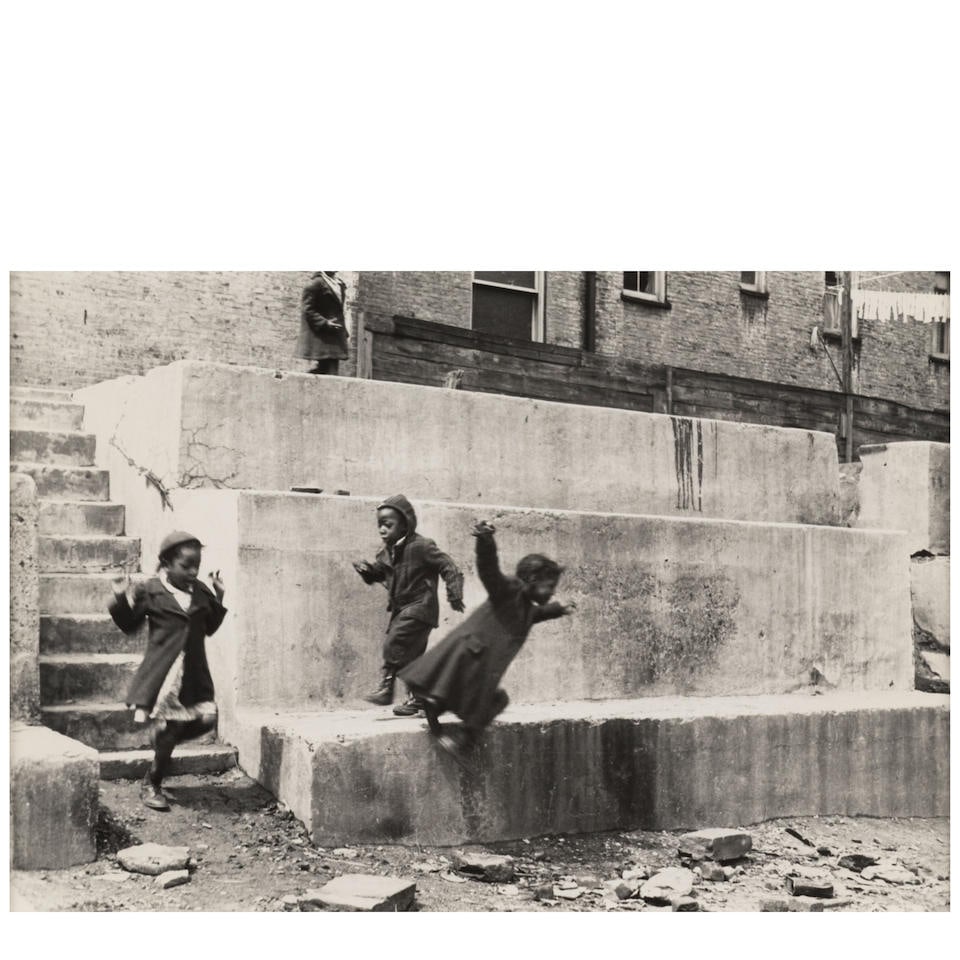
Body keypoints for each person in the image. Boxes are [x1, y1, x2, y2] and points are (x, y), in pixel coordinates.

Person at [399, 521, 576, 763]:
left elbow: (538, 614)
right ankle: (463, 738)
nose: (552, 593)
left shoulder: (525, 609)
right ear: (532, 579)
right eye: (549, 587)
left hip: (474, 661)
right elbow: (489, 570)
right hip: (471, 656)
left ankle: (436, 706)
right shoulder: (509, 591)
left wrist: (559, 608)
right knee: (497, 701)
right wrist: (485, 541)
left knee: (473, 695)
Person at [109, 531, 227, 811]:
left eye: (196, 565)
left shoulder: (200, 591)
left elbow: (209, 627)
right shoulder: (151, 590)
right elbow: (129, 625)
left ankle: (164, 741)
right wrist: (119, 596)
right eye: (186, 565)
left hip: (195, 675)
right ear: (166, 563)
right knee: (173, 728)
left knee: (207, 720)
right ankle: (152, 784)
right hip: (165, 676)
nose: (193, 571)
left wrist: (219, 596)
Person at [352, 495, 465, 713]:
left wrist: (454, 593)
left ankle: (386, 688)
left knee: (394, 643)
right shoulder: (385, 553)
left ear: (405, 524)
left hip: (420, 606)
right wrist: (368, 572)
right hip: (401, 610)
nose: (382, 530)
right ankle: (419, 700)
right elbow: (380, 573)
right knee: (412, 658)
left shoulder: (421, 546)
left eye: (388, 525)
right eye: (379, 525)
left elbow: (448, 566)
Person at [296, 271, 349, 375]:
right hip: (322, 336)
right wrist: (324, 323)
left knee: (329, 370)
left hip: (335, 334)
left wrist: (344, 331)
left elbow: (338, 310)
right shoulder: (315, 284)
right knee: (329, 372)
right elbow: (307, 310)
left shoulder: (339, 284)